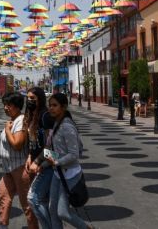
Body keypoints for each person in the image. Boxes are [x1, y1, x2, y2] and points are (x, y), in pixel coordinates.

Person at [45, 93, 92, 229]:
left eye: (55, 105)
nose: (51, 108)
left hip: (70, 174)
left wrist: (57, 162)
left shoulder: (67, 126)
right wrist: (42, 164)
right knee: (52, 210)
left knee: (63, 212)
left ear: (64, 107)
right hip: (58, 173)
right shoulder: (56, 124)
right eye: (50, 105)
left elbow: (74, 154)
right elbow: (56, 151)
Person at [0, 92, 38, 229]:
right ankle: (2, 226)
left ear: (17, 106)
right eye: (4, 105)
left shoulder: (20, 121)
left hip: (20, 169)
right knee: (3, 196)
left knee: (27, 206)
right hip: (9, 168)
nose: (5, 107)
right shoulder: (13, 120)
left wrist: (7, 130)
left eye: (9, 105)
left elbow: (18, 145)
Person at [25, 87, 54, 229]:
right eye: (28, 98)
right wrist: (30, 156)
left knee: (34, 198)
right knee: (44, 200)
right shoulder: (32, 115)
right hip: (38, 162)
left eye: (32, 99)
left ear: (40, 100)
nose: (29, 101)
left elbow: (51, 146)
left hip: (49, 162)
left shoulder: (45, 116)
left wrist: (38, 162)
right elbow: (33, 141)